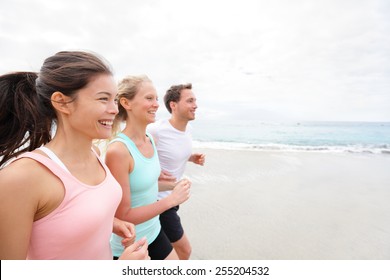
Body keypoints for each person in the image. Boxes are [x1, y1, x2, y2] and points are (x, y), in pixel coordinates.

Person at [0, 51, 148, 260]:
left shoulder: (95, 153)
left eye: (114, 100)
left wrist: (109, 222)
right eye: (103, 99)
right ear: (61, 102)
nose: (114, 109)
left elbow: (65, 217)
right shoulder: (21, 178)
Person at [105, 75, 191, 260]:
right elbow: (123, 215)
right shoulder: (118, 151)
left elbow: (142, 188)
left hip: (155, 231)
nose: (157, 104)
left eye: (156, 99)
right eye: (149, 98)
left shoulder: (150, 139)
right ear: (126, 103)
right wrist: (170, 201)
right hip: (130, 245)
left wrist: (173, 186)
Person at [147, 83, 205, 260]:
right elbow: (137, 156)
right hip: (157, 201)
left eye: (195, 100)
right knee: (184, 251)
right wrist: (154, 171)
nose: (195, 105)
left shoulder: (188, 130)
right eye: (190, 101)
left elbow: (171, 151)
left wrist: (191, 157)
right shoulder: (155, 130)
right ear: (173, 105)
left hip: (172, 200)